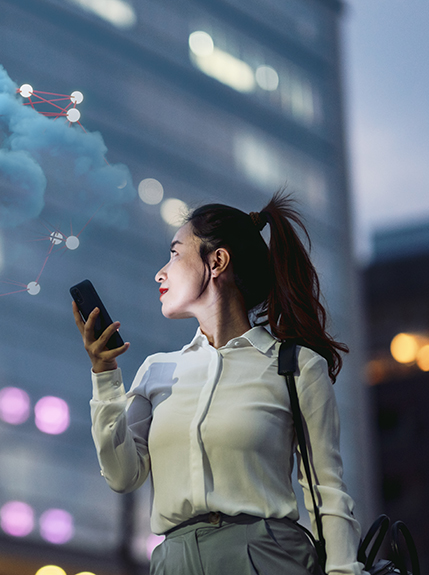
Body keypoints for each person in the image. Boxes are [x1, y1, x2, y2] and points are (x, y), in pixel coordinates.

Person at [72, 191, 364, 575]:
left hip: (268, 558)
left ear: (218, 261)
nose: (161, 272)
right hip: (174, 562)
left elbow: (327, 492)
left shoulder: (294, 366)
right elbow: (122, 476)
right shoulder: (156, 370)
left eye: (175, 254)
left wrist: (344, 571)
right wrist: (104, 376)